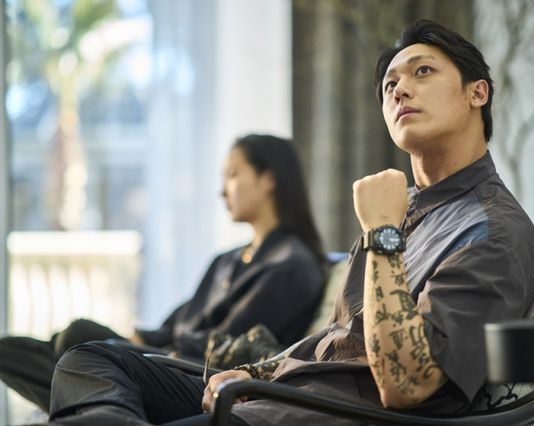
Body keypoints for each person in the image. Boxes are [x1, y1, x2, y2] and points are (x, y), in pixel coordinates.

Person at [41, 19, 534, 426]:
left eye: (422, 72)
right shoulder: (403, 206)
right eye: (389, 84)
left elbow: (407, 384)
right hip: (280, 395)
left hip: (323, 414)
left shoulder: (492, 230)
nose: (399, 91)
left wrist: (381, 233)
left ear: (477, 93)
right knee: (88, 359)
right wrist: (256, 370)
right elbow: (339, 337)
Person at [0, 134, 325, 414]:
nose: (222, 191)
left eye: (233, 174)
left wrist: (152, 342)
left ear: (269, 179)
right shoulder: (227, 260)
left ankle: (83, 398)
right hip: (170, 354)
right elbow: (182, 318)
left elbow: (232, 339)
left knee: (78, 337)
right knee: (14, 350)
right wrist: (146, 337)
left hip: (199, 371)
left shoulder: (292, 264)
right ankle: (86, 399)